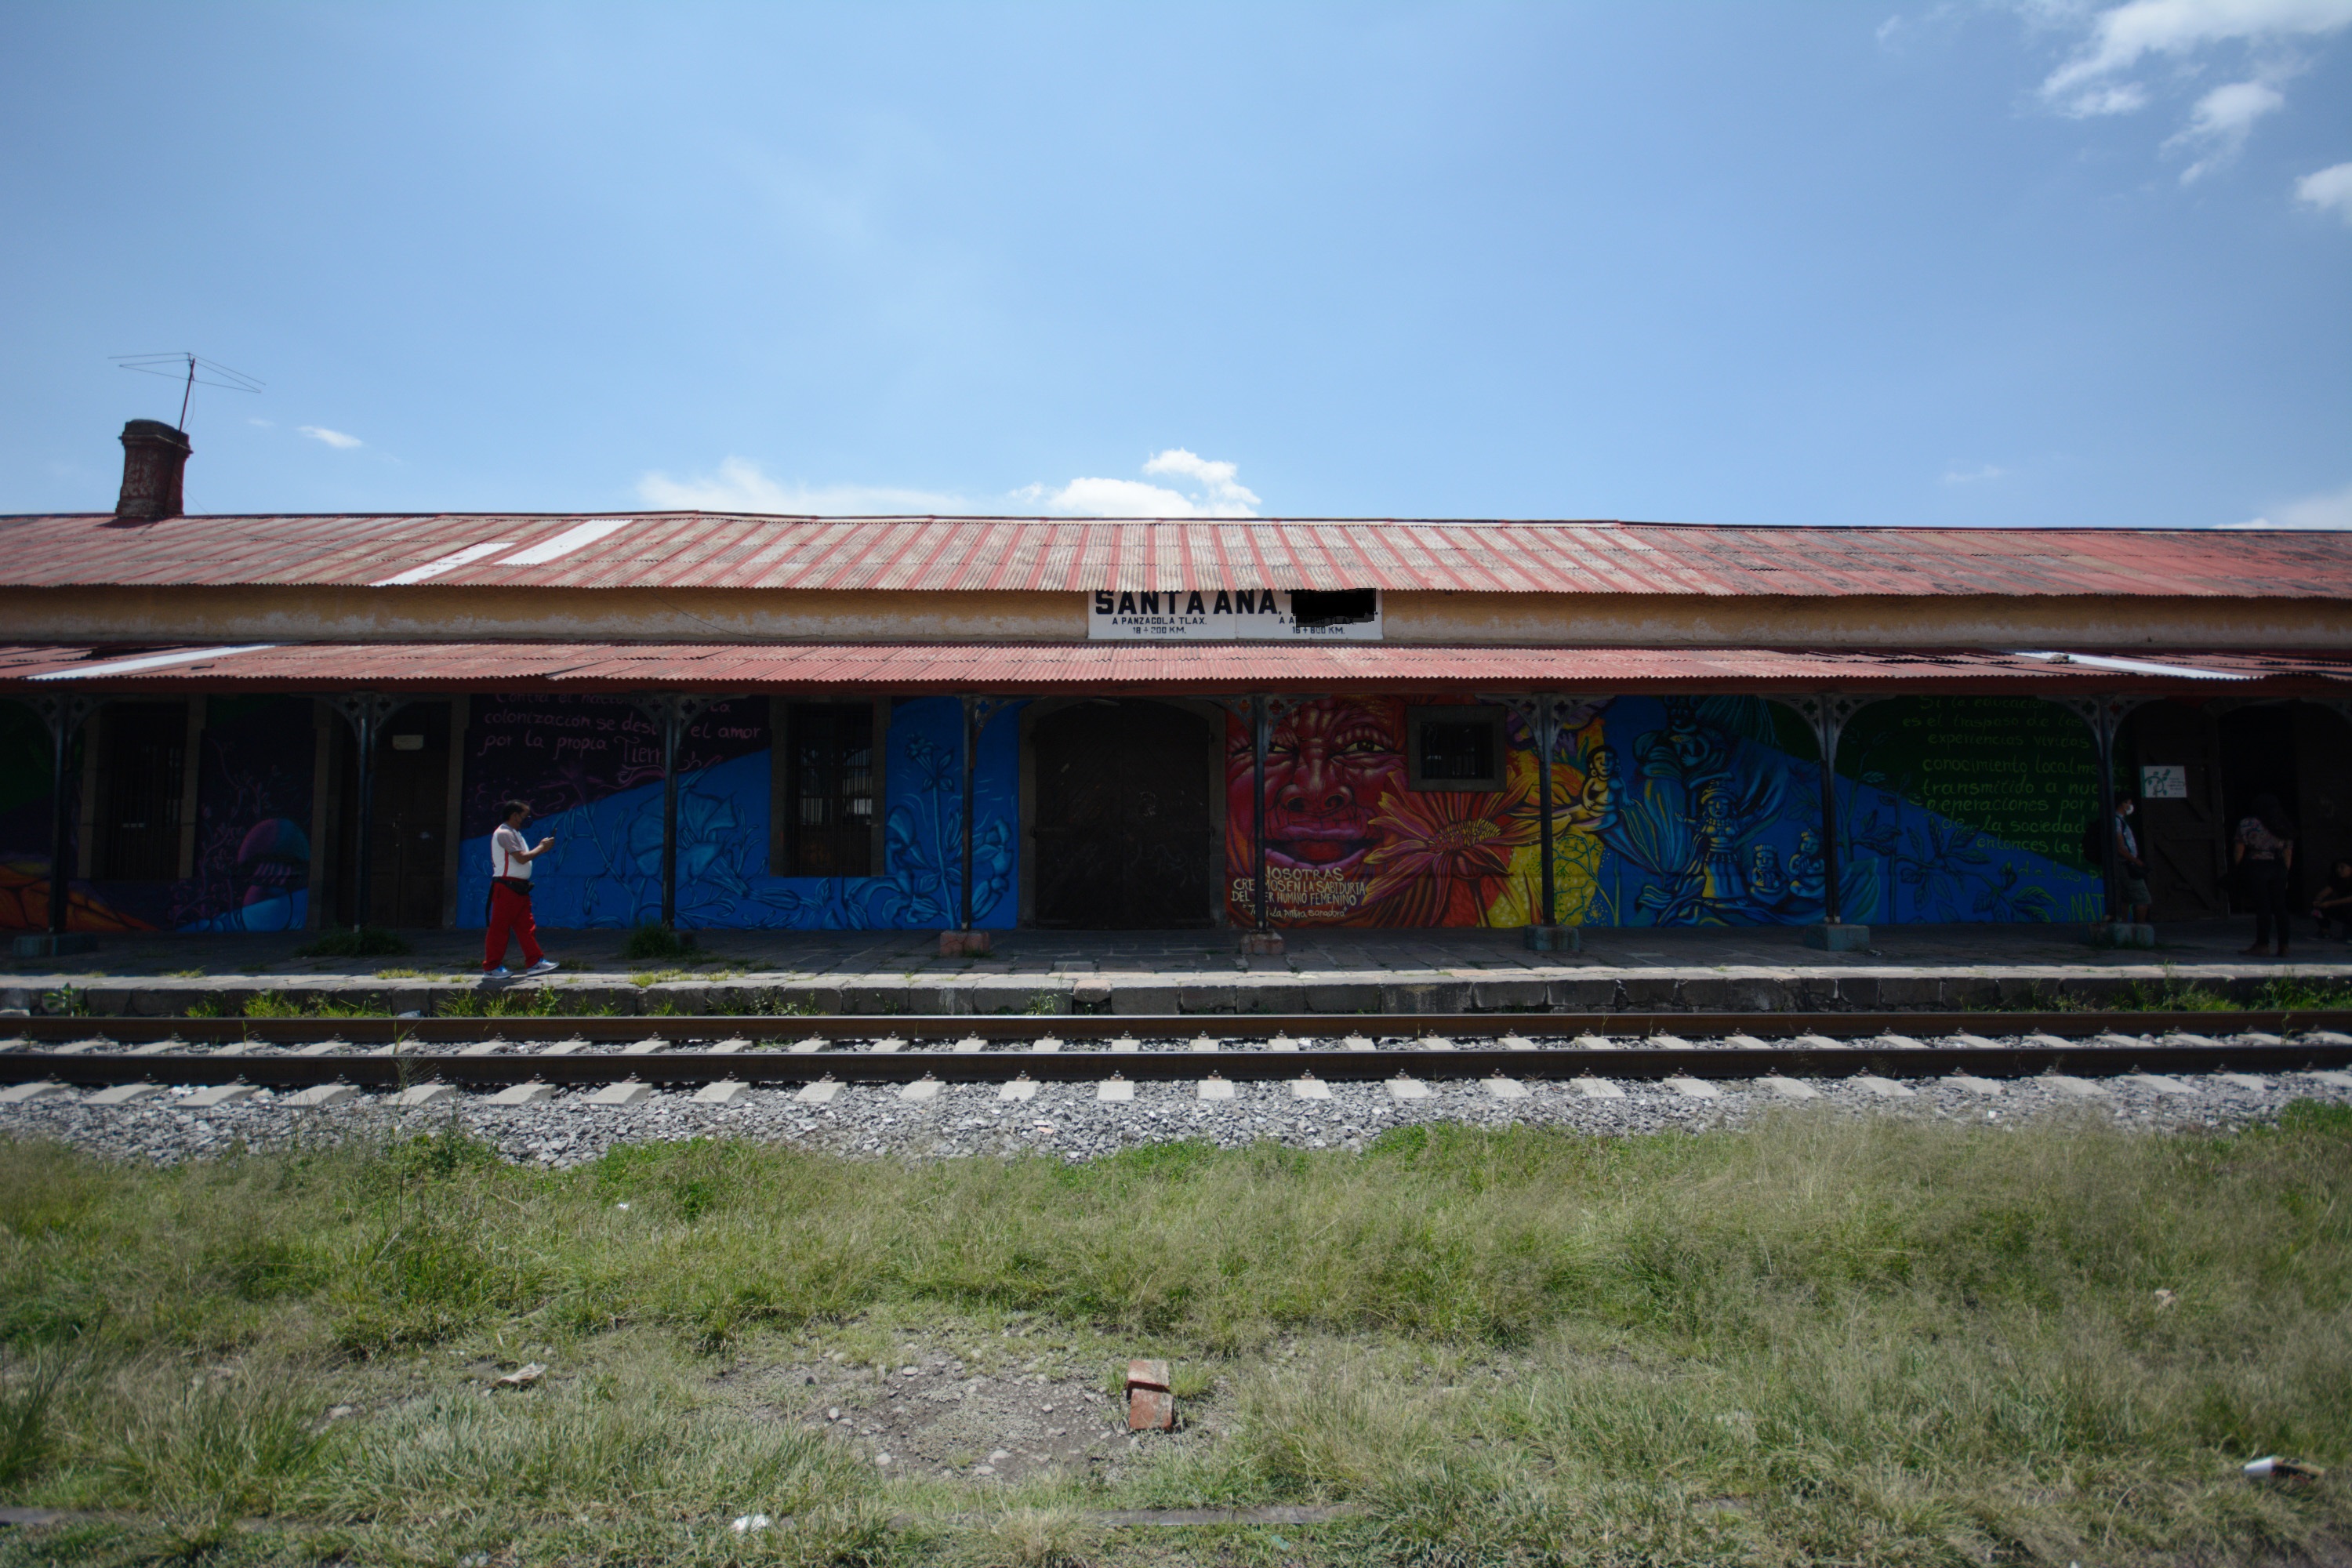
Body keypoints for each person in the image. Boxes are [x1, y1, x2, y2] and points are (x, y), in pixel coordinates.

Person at [485, 800, 559, 978]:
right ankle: (491, 967)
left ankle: (534, 962)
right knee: (499, 928)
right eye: (524, 815)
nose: (526, 819)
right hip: (507, 887)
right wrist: (542, 848)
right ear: (514, 815)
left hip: (518, 888)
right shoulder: (504, 833)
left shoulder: (514, 833)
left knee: (526, 926)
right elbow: (521, 858)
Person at [2233, 793, 2296, 959]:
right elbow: (2288, 852)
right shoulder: (2283, 824)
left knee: (2263, 906)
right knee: (2280, 907)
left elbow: (2239, 848)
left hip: (2256, 865)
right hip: (2278, 866)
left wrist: (2239, 868)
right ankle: (2284, 946)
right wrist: (2286, 873)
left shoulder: (2248, 824)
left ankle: (2262, 944)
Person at [2111, 796, 2151, 924]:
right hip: (2126, 864)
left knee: (2125, 898)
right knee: (2143, 898)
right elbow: (2120, 848)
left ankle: (2124, 927)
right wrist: (2136, 861)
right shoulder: (2116, 821)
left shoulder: (2120, 821)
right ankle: (2140, 930)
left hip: (2124, 863)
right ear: (2121, 804)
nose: (2130, 806)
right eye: (2128, 803)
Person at [2312, 858, 2352, 943]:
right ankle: (2325, 932)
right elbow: (2323, 893)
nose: (2339, 870)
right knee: (2318, 908)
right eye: (2337, 867)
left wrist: (2330, 903)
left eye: (2342, 867)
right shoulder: (2337, 880)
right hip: (2344, 909)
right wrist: (2319, 900)